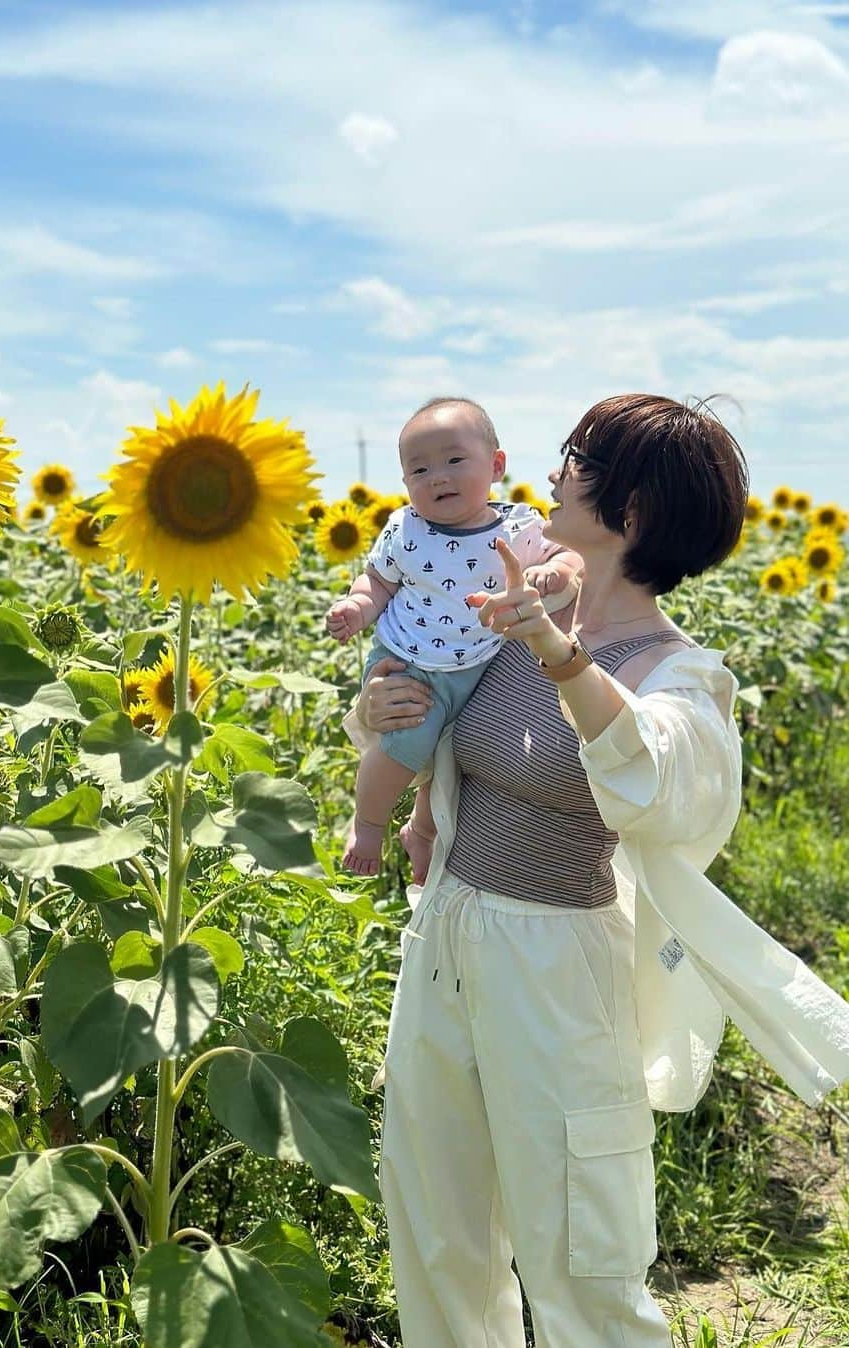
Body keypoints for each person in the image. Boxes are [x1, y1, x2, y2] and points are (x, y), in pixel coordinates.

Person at [345, 393, 849, 1348]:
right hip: (446, 928)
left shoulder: (676, 672)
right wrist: (384, 705)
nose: (551, 472)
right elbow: (414, 717)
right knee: (438, 1232)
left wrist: (558, 650)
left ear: (634, 510)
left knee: (583, 1252)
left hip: (559, 964)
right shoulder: (500, 609)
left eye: (578, 459)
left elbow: (659, 781)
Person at [325, 397, 582, 875]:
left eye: (454, 460)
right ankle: (368, 826)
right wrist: (358, 607)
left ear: (497, 465)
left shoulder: (520, 527)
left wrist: (557, 573)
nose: (437, 476)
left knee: (455, 756)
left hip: (477, 666)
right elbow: (378, 581)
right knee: (408, 748)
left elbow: (565, 555)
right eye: (419, 470)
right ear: (405, 484)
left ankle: (421, 833)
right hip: (411, 663)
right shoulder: (406, 529)